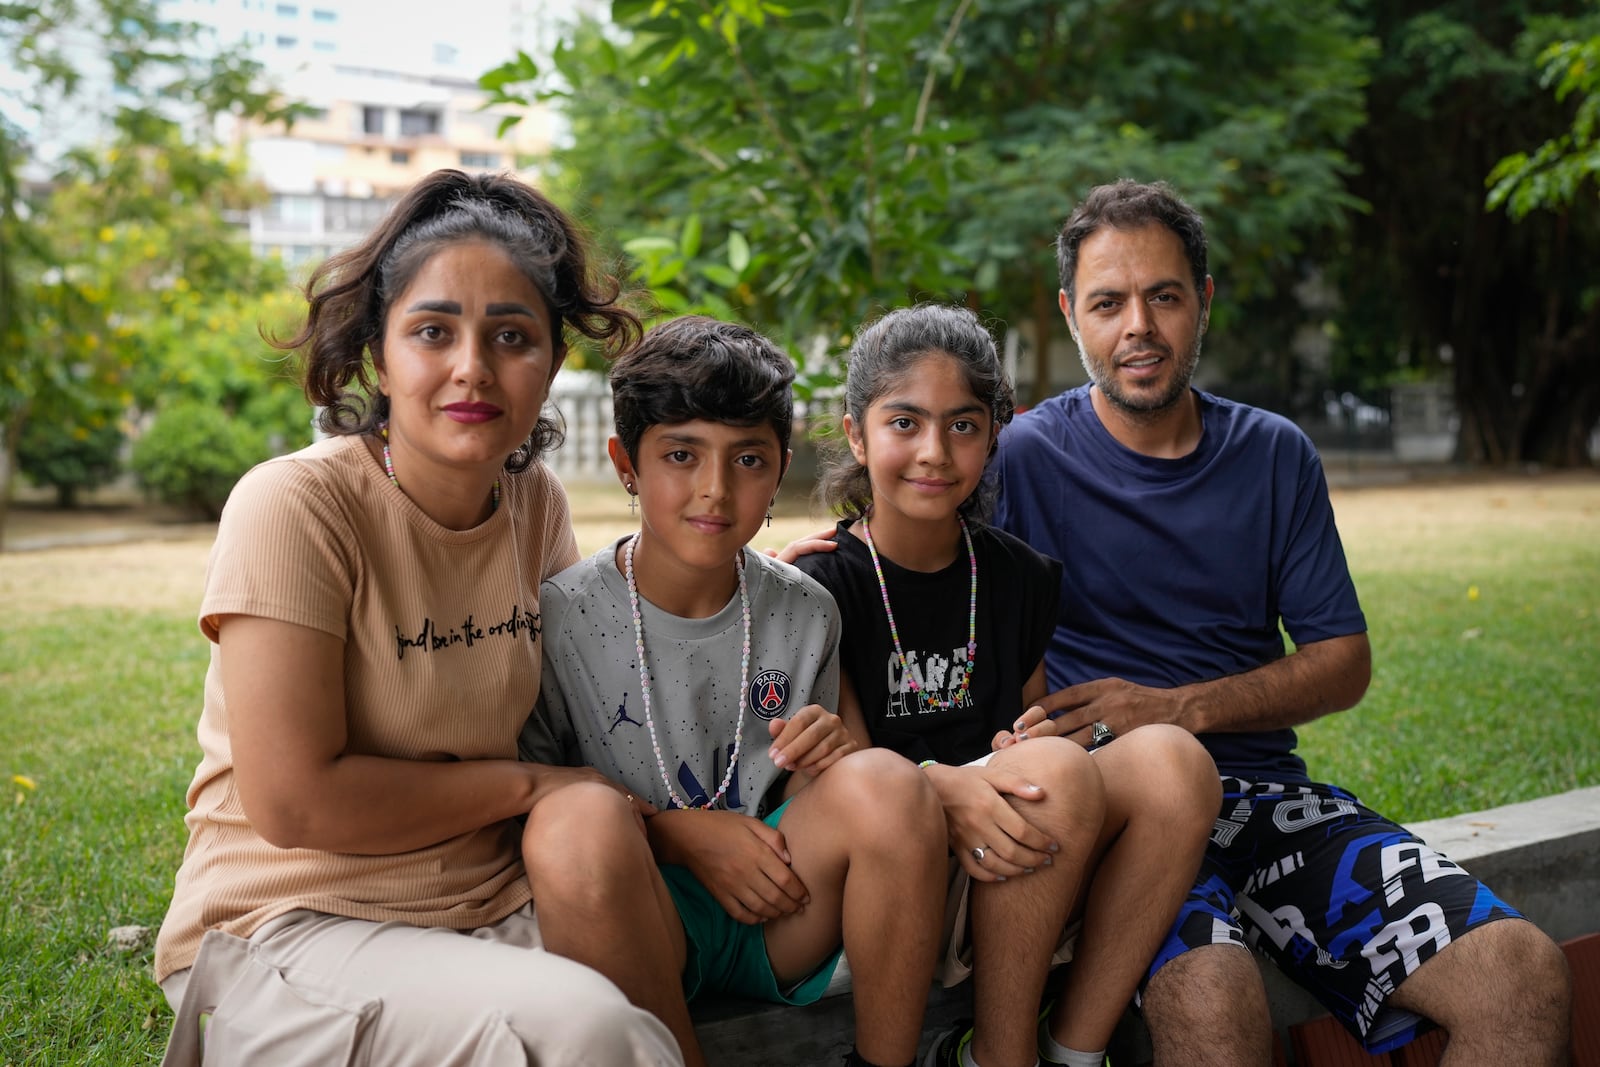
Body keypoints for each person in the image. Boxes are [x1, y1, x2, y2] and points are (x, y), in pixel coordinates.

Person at [992, 178, 1573, 1065]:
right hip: (1125, 824)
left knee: (1520, 972)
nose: (1138, 326)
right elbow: (904, 529)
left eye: (1165, 295)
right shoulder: (1024, 457)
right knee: (1214, 1000)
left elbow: (1343, 661)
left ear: (1205, 301)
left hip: (1270, 803)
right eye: (1109, 302)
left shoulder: (1272, 453)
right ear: (1073, 313)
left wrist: (1180, 706)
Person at [151, 169, 682, 1066]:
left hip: (487, 896)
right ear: (377, 355)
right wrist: (527, 788)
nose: (472, 366)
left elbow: (595, 702)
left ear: (551, 363)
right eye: (433, 331)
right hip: (290, 922)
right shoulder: (294, 505)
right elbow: (293, 798)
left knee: (689, 959)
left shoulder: (532, 502)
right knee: (592, 1030)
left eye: (511, 336)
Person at [788, 304, 1220, 1067]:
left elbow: (1029, 723)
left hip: (1017, 847)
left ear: (994, 434)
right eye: (904, 423)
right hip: (900, 861)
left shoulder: (1018, 574)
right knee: (1049, 772)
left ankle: (1073, 1049)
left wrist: (1033, 746)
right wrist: (962, 785)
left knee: (1174, 762)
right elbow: (847, 770)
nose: (933, 451)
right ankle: (1000, 1055)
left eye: (962, 425)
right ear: (856, 434)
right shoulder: (824, 583)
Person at [518, 315, 949, 1067]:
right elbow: (531, 803)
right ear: (627, 464)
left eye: (748, 459)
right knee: (572, 829)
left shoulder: (806, 609)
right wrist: (671, 831)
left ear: (780, 468)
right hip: (635, 912)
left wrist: (831, 762)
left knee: (886, 781)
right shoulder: (560, 617)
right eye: (681, 455)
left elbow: (828, 791)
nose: (715, 490)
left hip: (774, 903)